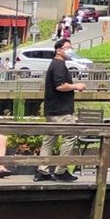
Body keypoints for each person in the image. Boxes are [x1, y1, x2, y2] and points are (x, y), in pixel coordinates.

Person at [35, 38, 86, 181]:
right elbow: (60, 85)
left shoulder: (56, 65)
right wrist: (76, 86)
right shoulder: (58, 65)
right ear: (58, 50)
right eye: (67, 47)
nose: (70, 50)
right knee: (69, 137)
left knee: (49, 139)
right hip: (61, 109)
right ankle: (61, 170)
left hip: (52, 108)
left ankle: (42, 170)